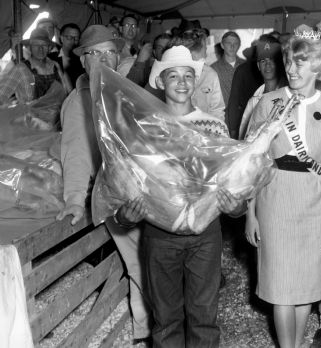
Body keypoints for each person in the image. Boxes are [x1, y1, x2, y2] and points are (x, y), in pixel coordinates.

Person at [121, 45, 244, 347]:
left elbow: (230, 180)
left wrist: (237, 208)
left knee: (204, 317)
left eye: (188, 75)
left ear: (196, 80)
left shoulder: (214, 126)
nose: (181, 82)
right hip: (160, 235)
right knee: (166, 319)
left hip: (205, 234)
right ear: (160, 81)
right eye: (172, 75)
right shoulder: (144, 126)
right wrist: (126, 215)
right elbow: (126, 184)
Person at [245, 27, 321, 348]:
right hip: (275, 197)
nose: (291, 69)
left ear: (318, 66)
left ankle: (297, 344)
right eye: (289, 61)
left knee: (305, 285)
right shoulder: (269, 102)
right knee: (281, 285)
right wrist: (250, 213)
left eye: (300, 63)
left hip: (314, 201)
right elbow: (251, 161)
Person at [55, 25, 152, 342]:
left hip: (145, 187)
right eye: (93, 53)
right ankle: (145, 332)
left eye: (109, 51)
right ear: (83, 60)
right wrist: (72, 199)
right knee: (142, 265)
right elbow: (76, 153)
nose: (103, 59)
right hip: (115, 194)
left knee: (159, 260)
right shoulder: (80, 101)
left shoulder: (122, 90)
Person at [0, 28, 70, 105]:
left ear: (49, 48)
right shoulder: (20, 69)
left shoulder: (55, 66)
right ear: (29, 47)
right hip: (31, 116)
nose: (40, 49)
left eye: (44, 45)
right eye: (36, 45)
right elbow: (2, 96)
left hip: (57, 114)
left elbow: (65, 93)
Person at [238, 39, 286, 139]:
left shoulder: (288, 95)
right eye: (263, 61)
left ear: (279, 64)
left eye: (272, 60)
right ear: (258, 66)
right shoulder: (253, 101)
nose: (267, 65)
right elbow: (243, 137)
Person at [210, 31, 245, 107]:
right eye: (228, 43)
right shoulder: (213, 69)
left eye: (235, 43)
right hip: (224, 115)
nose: (232, 46)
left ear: (239, 45)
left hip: (244, 114)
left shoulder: (247, 66)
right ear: (222, 45)